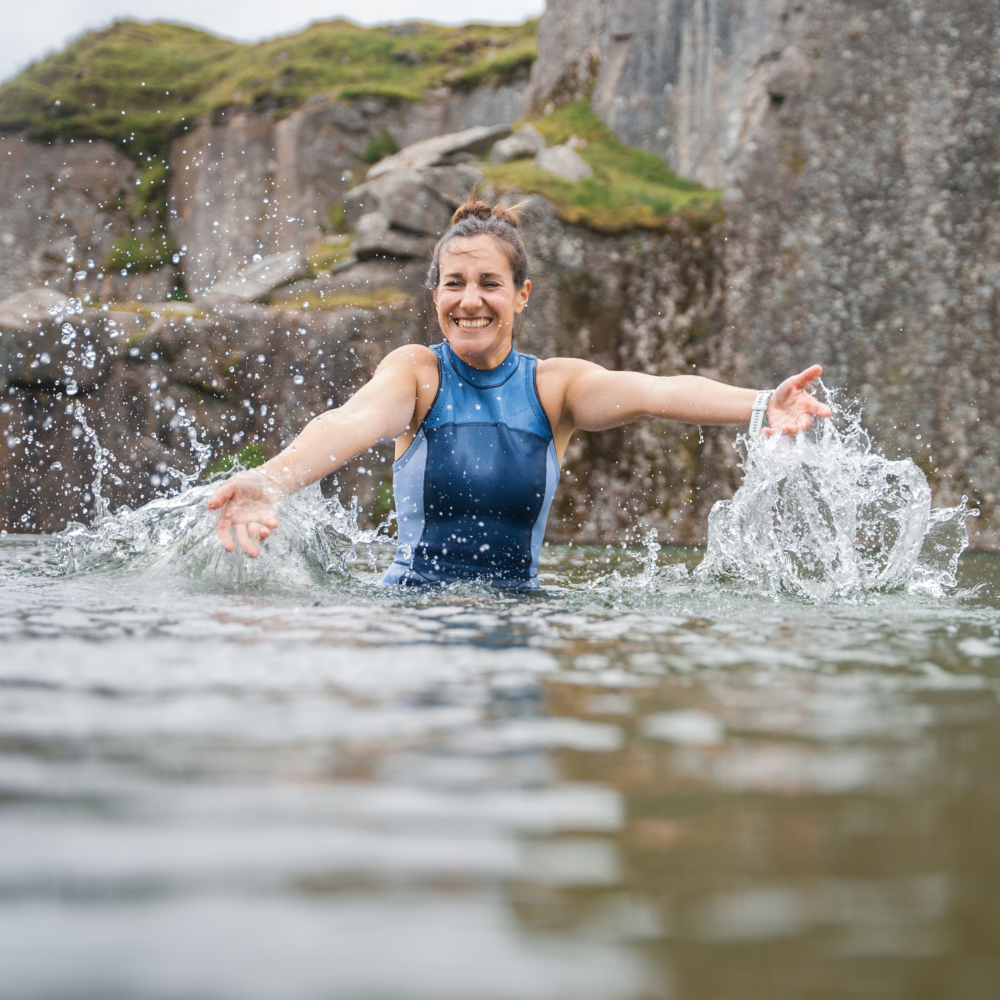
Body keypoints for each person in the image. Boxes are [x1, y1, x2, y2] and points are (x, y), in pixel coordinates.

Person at [208, 199, 831, 588]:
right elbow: (350, 422)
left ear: (521, 294)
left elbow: (652, 391)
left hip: (521, 618)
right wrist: (273, 479)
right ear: (435, 296)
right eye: (454, 284)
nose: (470, 300)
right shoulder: (416, 374)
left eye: (489, 283)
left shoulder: (553, 388)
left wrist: (759, 405)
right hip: (411, 614)